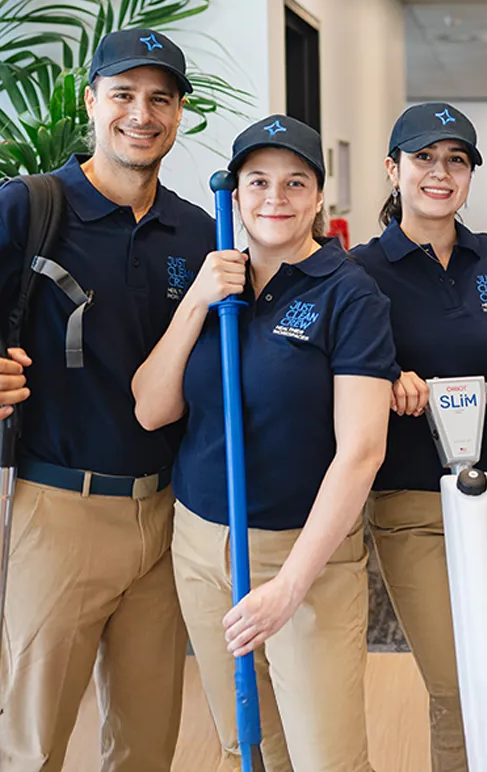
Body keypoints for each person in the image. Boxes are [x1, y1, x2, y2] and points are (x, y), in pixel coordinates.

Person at [132, 115, 395, 772]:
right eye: (258, 182)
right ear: (236, 193)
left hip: (304, 556)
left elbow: (361, 450)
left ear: (317, 198)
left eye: (294, 183)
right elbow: (151, 408)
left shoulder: (349, 293)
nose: (275, 198)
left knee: (325, 758)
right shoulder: (213, 280)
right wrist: (196, 300)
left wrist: (289, 586)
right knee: (246, 746)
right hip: (200, 547)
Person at [0, 29, 214, 771]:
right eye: (123, 94)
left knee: (146, 744)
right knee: (33, 745)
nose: (141, 114)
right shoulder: (30, 209)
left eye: (160, 98)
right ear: (92, 100)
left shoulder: (197, 231)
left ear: (180, 112)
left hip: (165, 518)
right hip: (58, 512)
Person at [351, 102, 487, 772]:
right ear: (392, 170)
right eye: (423, 158)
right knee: (458, 679)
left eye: (456, 160)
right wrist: (386, 377)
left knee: (485, 662)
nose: (440, 173)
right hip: (412, 505)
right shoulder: (359, 270)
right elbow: (336, 372)